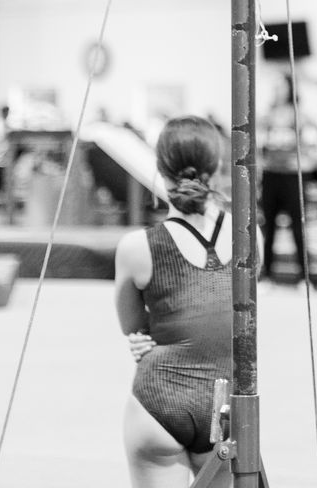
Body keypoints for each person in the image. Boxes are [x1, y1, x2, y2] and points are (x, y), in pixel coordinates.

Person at [114, 116, 246, 488]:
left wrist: (146, 336)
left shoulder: (137, 247)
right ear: (218, 168)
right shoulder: (249, 236)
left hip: (160, 401)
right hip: (223, 405)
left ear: (158, 169)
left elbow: (131, 326)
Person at [257, 77, 317, 284]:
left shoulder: (300, 116)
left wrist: (313, 159)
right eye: (274, 87)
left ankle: (304, 277)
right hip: (271, 176)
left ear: (289, 89)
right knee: (268, 227)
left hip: (292, 176)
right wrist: (260, 162)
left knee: (298, 227)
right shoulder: (266, 117)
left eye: (280, 86)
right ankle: (266, 274)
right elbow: (254, 142)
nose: (276, 90)